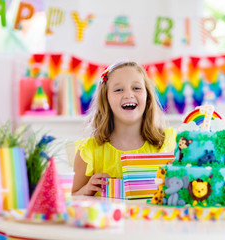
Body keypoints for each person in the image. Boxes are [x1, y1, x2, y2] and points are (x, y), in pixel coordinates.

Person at [72, 61, 177, 196]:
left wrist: (177, 176)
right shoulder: (89, 152)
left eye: (136, 88)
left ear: (148, 96)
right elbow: (71, 198)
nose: (128, 95)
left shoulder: (168, 144)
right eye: (118, 90)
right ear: (106, 99)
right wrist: (86, 190)